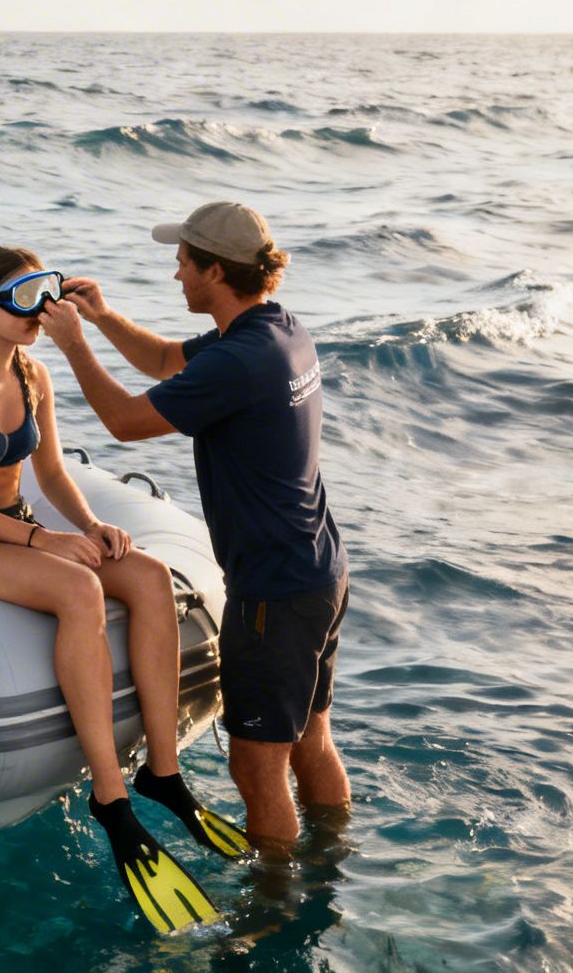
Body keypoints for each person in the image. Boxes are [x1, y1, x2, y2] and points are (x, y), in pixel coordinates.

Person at [0, 246, 228, 933]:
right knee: (78, 590)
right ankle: (111, 800)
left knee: (146, 575)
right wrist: (45, 542)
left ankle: (164, 776)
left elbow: (52, 473)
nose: (39, 312)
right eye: (23, 296)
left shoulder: (32, 374)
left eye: (45, 291)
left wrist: (92, 526)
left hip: (21, 530)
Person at [37, 200, 351, 855]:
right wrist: (102, 316)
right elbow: (163, 361)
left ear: (214, 270)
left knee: (256, 768)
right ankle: (332, 860)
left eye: (184, 262)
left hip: (273, 590)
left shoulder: (239, 362)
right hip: (321, 570)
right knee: (311, 739)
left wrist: (73, 345)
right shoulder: (276, 330)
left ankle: (273, 911)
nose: (176, 273)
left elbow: (124, 422)